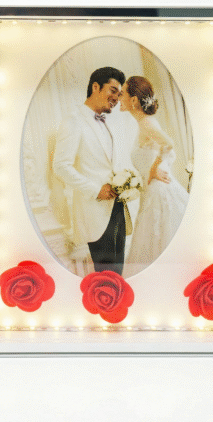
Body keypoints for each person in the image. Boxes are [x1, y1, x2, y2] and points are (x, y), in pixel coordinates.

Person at [53, 67, 127, 274]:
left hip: (117, 208)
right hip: (95, 213)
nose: (116, 98)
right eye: (113, 91)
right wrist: (96, 190)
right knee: (105, 277)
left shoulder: (108, 124)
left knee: (118, 274)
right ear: (95, 87)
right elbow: (60, 166)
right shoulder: (73, 120)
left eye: (119, 94)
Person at [119, 76, 189, 278]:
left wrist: (154, 168)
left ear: (133, 100)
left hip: (158, 192)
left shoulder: (147, 123)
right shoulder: (145, 123)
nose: (119, 98)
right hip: (152, 190)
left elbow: (169, 144)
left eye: (122, 93)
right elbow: (165, 150)